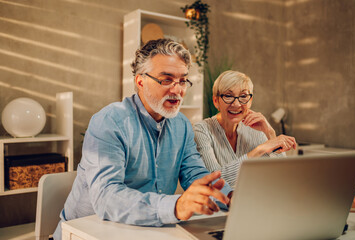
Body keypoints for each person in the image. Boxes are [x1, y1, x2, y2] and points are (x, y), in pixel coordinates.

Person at [53, 39, 231, 240]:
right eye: (166, 79)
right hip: (86, 233)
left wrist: (229, 196)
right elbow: (107, 198)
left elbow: (194, 172)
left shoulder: (181, 125)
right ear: (140, 81)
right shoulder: (109, 122)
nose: (177, 90)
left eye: (182, 80)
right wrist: (175, 206)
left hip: (145, 232)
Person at [193, 70, 297, 188]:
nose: (236, 104)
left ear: (250, 101)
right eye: (228, 96)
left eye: (243, 96)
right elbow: (215, 181)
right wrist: (260, 149)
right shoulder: (201, 130)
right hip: (219, 205)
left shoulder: (256, 130)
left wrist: (270, 133)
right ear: (216, 101)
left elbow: (280, 176)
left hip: (256, 200)